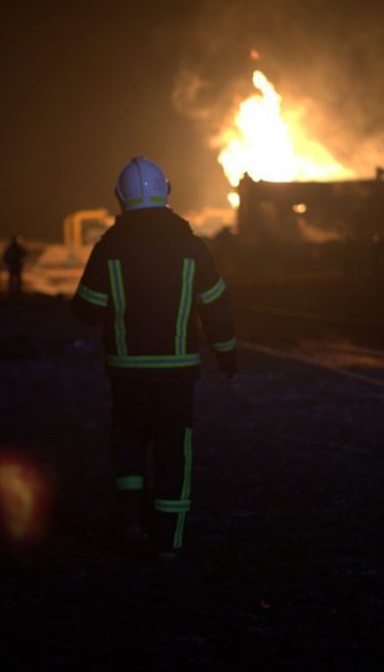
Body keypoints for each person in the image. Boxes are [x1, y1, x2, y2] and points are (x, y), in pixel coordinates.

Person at [71, 156, 237, 559]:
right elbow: (216, 306)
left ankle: (130, 526)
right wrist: (226, 353)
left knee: (128, 446)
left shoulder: (107, 250)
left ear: (119, 197)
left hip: (127, 374)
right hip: (178, 375)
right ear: (168, 193)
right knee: (173, 452)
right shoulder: (192, 249)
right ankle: (169, 542)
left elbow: (87, 311)